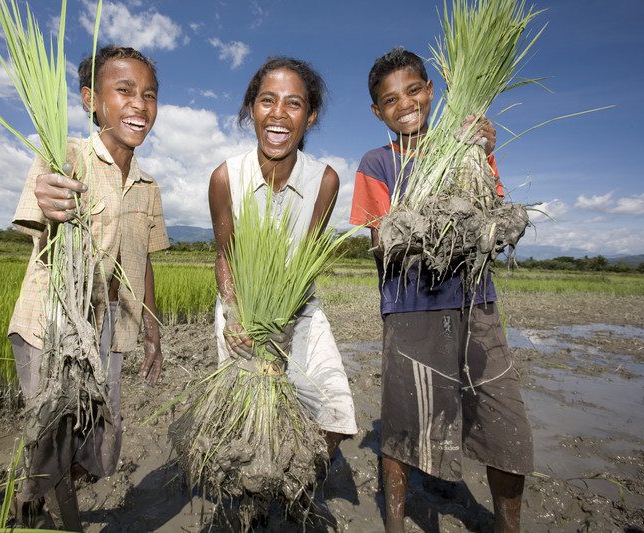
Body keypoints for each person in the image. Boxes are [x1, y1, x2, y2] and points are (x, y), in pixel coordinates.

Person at [349, 48, 533, 533]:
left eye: (413, 91)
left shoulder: (464, 150)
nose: (405, 104)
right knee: (404, 428)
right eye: (390, 100)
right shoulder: (376, 162)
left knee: (505, 425)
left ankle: (507, 526)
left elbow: (489, 214)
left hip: (477, 306)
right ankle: (394, 524)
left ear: (431, 91)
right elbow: (380, 242)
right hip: (410, 310)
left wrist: (483, 152)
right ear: (377, 112)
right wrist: (425, 224)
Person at [7, 45, 169, 530]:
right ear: (91, 100)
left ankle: (36, 499)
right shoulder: (66, 157)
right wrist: (50, 197)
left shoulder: (148, 186)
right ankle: (48, 514)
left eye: (149, 95)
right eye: (123, 91)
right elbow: (44, 217)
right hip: (52, 327)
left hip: (109, 329)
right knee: (52, 435)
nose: (139, 104)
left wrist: (153, 330)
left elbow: (140, 265)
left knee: (99, 433)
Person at [208, 57, 358, 459]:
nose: (278, 114)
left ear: (310, 117)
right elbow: (225, 257)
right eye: (267, 101)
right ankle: (252, 497)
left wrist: (284, 321)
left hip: (299, 306)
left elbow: (307, 260)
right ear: (251, 109)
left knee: (335, 412)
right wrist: (236, 315)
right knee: (241, 418)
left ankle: (296, 479)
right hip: (238, 307)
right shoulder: (226, 177)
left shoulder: (324, 180)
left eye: (293, 103)